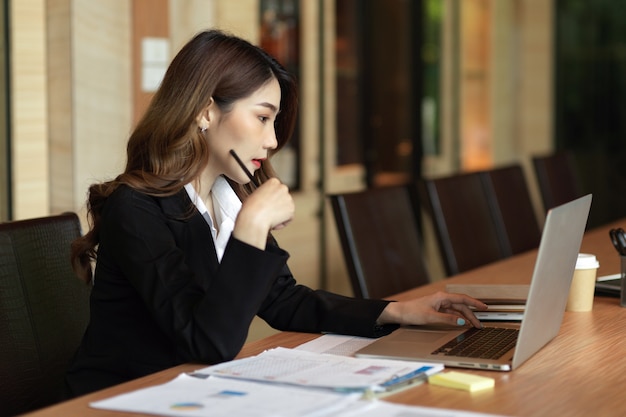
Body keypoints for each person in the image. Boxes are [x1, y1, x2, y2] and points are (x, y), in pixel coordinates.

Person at [65, 29, 487, 397]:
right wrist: (250, 227)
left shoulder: (225, 196)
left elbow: (283, 299)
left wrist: (396, 311)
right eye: (263, 118)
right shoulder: (136, 208)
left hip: (188, 394)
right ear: (207, 111)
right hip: (118, 401)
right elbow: (207, 344)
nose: (271, 142)